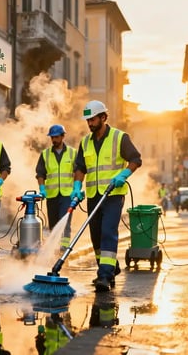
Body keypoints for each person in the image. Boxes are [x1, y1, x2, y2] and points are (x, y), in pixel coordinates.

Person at [70, 100, 142, 292]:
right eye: (88, 120)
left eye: (92, 119)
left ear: (103, 117)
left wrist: (123, 175)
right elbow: (80, 167)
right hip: (94, 195)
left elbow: (136, 159)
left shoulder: (120, 138)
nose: (90, 123)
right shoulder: (85, 142)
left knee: (108, 232)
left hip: (113, 195)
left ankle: (104, 275)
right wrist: (77, 186)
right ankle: (110, 266)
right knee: (95, 236)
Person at [35, 124, 77, 251]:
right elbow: (40, 174)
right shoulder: (45, 154)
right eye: (52, 137)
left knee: (65, 222)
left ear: (63, 136)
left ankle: (64, 249)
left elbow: (78, 172)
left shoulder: (72, 153)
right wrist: (42, 188)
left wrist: (76, 188)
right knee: (53, 224)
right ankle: (54, 249)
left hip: (67, 194)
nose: (54, 140)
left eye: (57, 137)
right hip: (52, 194)